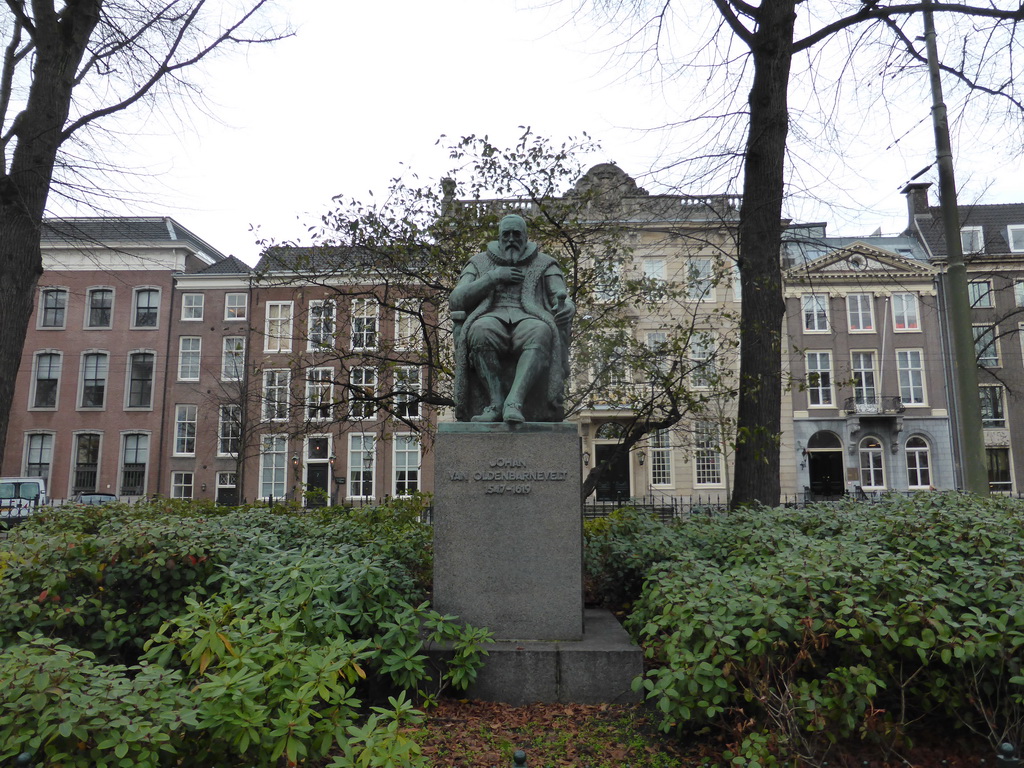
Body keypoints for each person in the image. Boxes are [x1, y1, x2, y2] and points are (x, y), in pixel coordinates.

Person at [451, 214, 575, 423]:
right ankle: (496, 402)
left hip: (529, 318)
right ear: (499, 237)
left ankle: (514, 402)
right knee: (481, 330)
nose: (511, 239)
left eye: (516, 234)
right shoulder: (479, 262)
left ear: (526, 237)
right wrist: (493, 277)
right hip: (490, 316)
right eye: (505, 234)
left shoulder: (545, 263)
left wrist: (567, 306)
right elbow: (456, 299)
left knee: (541, 330)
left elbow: (560, 295)